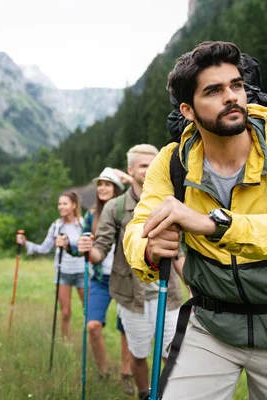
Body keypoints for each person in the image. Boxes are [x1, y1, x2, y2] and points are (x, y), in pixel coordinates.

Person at [123, 41, 267, 399]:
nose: (232, 97)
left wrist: (213, 223)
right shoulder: (171, 162)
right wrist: (148, 249)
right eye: (214, 91)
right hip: (211, 326)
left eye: (236, 85)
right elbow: (137, 231)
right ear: (188, 110)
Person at [78, 145, 186, 400]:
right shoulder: (114, 208)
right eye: (143, 166)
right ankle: (143, 393)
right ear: (130, 170)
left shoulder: (169, 203)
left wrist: (191, 284)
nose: (150, 170)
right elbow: (100, 252)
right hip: (131, 297)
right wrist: (87, 250)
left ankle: (169, 395)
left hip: (168, 295)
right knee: (138, 355)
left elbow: (178, 252)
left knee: (172, 354)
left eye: (154, 164)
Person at [64, 167, 134, 395]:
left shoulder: (128, 211)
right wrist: (69, 246)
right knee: (93, 326)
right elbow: (81, 247)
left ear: (117, 188)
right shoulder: (91, 215)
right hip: (100, 279)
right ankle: (103, 371)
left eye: (108, 184)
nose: (103, 188)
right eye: (100, 184)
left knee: (127, 330)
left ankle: (126, 373)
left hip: (125, 279)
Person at [16, 191, 85, 341]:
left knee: (88, 312)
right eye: (59, 204)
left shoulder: (83, 224)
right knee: (65, 312)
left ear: (73, 206)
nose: (61, 207)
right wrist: (25, 243)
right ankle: (67, 343)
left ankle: (89, 341)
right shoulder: (56, 226)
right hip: (63, 272)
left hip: (82, 272)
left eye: (65, 203)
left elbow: (88, 247)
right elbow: (44, 249)